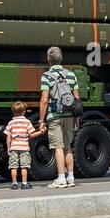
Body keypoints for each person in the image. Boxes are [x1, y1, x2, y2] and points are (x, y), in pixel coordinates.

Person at [39, 46, 79, 189]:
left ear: (48, 59)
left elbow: (44, 100)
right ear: (61, 58)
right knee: (68, 146)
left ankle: (61, 178)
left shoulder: (46, 76)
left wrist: (41, 120)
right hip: (69, 115)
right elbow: (76, 98)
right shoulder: (71, 75)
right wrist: (75, 117)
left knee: (58, 147)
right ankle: (71, 177)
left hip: (54, 115)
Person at [3, 100, 38, 190]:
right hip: (24, 147)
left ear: (13, 111)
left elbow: (8, 136)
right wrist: (40, 132)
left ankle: (14, 183)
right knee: (24, 166)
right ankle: (24, 183)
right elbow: (32, 134)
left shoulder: (11, 123)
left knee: (13, 166)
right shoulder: (27, 122)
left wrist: (8, 147)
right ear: (24, 111)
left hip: (14, 147)